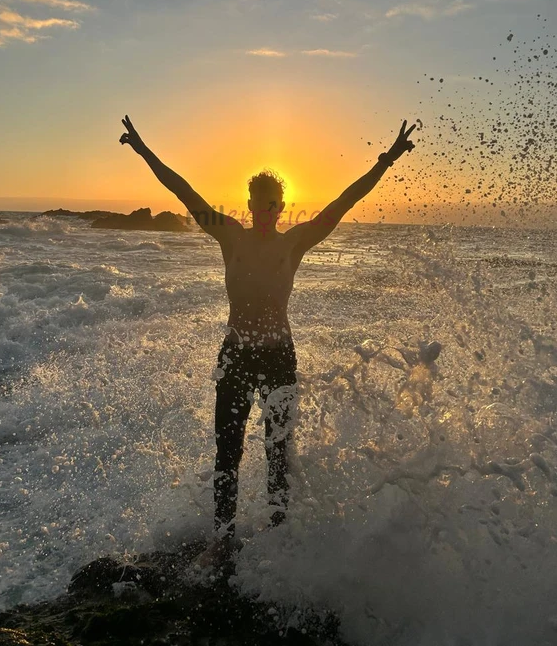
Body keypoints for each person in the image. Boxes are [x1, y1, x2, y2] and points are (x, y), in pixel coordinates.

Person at [119, 115, 416, 566]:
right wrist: (144, 151)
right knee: (227, 451)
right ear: (249, 204)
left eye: (272, 205)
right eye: (258, 205)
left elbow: (345, 201)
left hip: (279, 357)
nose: (264, 212)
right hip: (236, 355)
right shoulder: (229, 236)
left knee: (277, 452)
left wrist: (386, 160)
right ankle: (222, 541)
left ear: (281, 207)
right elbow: (183, 191)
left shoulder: (293, 243)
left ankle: (279, 540)